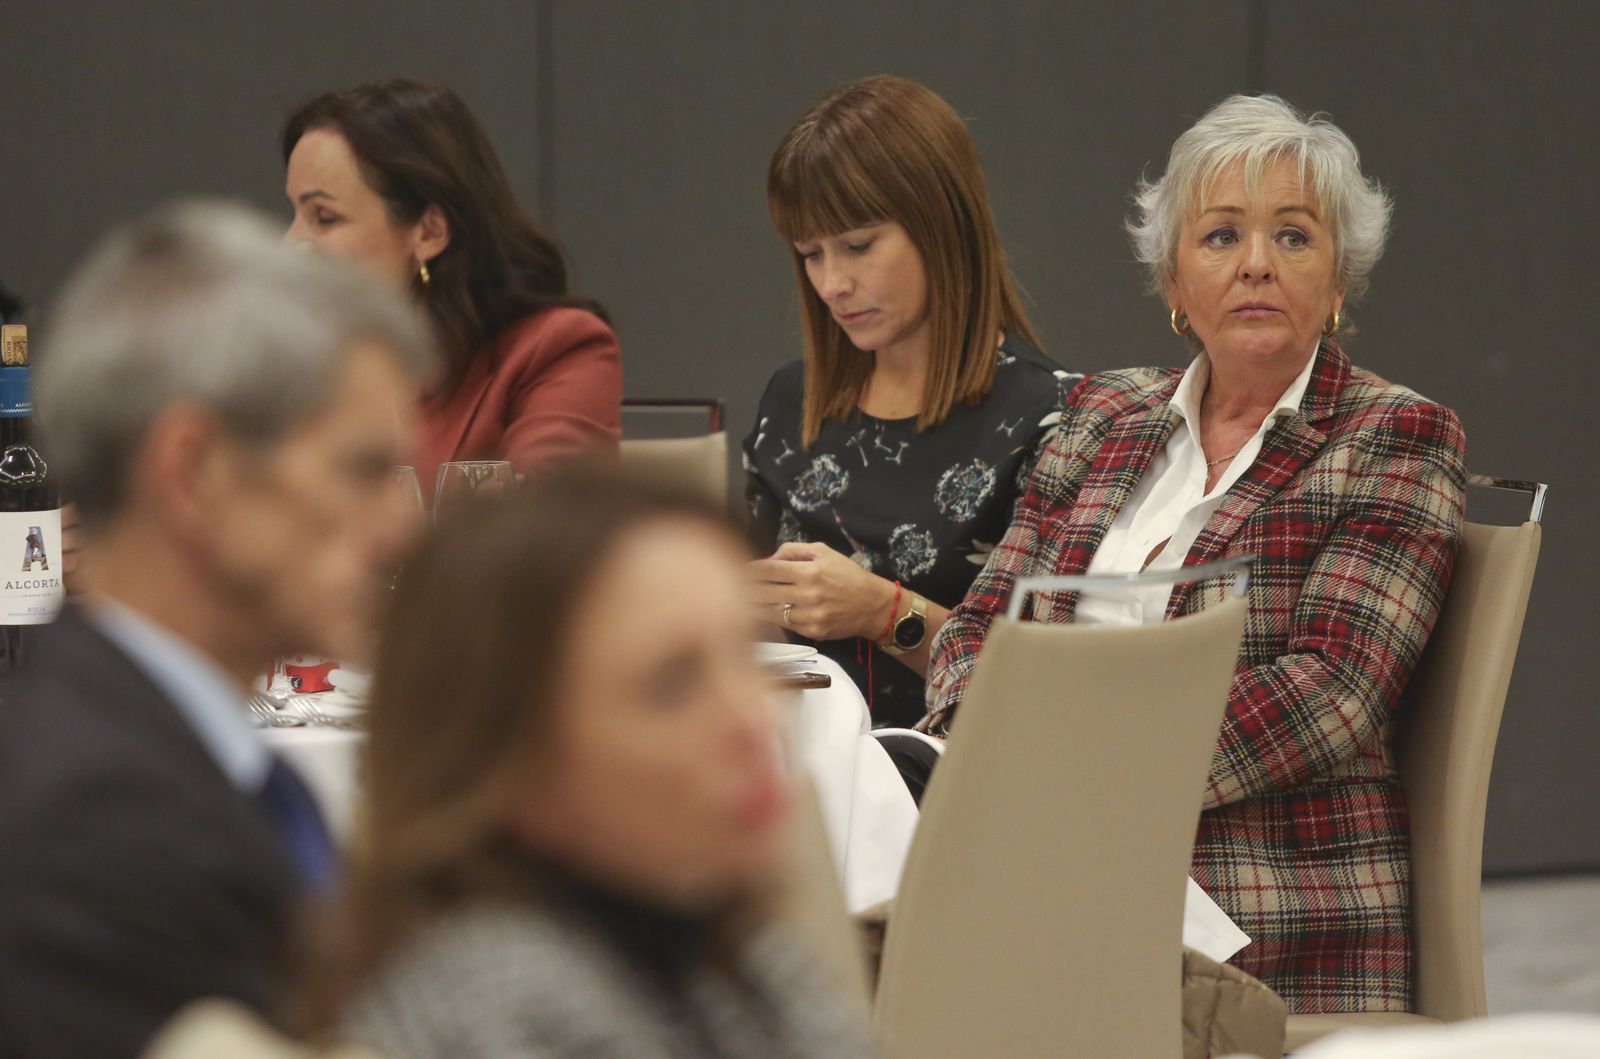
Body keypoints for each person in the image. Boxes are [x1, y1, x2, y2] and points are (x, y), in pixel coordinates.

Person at [925, 95, 1467, 1014]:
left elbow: (1333, 688)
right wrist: (995, 761)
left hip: (1253, 901)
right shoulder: (1101, 418)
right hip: (1042, 852)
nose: (1257, 262)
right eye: (1221, 236)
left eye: (1293, 236)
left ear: (1340, 279)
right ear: (1174, 283)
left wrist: (1080, 775)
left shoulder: (1394, 433)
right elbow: (978, 626)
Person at [0, 201, 429, 1058]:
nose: (400, 528)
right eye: (361, 469)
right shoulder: (93, 827)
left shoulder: (208, 770)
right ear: (194, 471)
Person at [299, 471, 876, 1058]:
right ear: (505, 757)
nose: (759, 723)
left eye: (742, 656)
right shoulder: (507, 1008)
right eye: (672, 684)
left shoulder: (726, 945)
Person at [745, 75, 1074, 729]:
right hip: (798, 782)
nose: (833, 284)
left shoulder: (1053, 417)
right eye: (811, 254)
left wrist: (881, 610)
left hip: (962, 789)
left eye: (859, 245)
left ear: (941, 223)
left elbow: (1056, 685)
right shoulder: (790, 402)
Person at [283, 78, 621, 491]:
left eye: (324, 218)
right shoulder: (298, 366)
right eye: (294, 213)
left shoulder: (554, 350)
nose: (289, 245)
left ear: (429, 232)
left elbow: (544, 532)